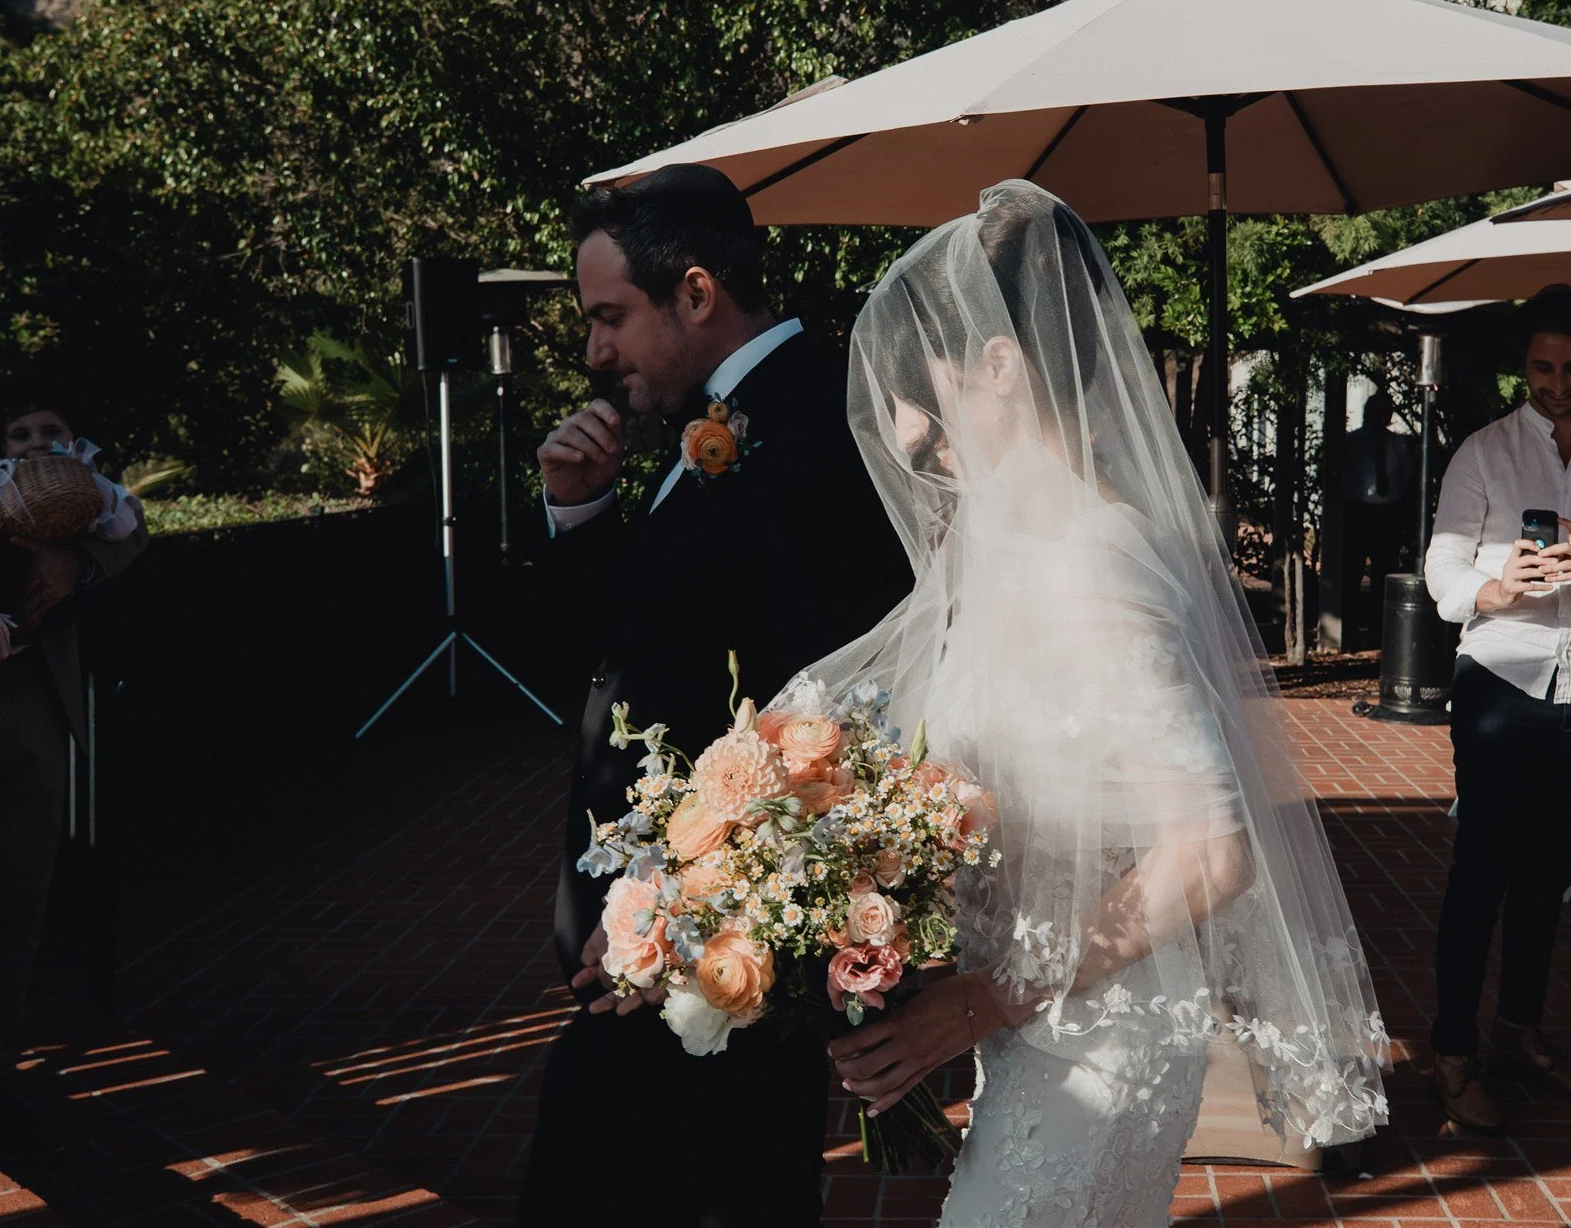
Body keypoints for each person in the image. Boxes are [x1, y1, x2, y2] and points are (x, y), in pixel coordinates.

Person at [812, 182, 1391, 1224]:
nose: (908, 431)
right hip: (1033, 1027)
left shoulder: (1091, 564)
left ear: (998, 364)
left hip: (1101, 1036)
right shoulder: (1009, 546)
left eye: (923, 388)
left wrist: (978, 1002)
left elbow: (1210, 853)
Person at [517, 165, 912, 1228]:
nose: (595, 350)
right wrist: (579, 515)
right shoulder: (714, 423)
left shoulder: (817, 426)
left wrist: (679, 914)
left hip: (709, 942)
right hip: (654, 931)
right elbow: (649, 645)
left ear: (695, 294)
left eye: (610, 317)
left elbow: (824, 713)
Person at [1421, 286, 1571, 1134]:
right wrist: (1497, 585)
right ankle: (1453, 1049)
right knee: (1480, 870)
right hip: (1500, 681)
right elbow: (1442, 571)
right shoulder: (1482, 452)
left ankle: (1520, 1030)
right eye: (1540, 367)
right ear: (1522, 366)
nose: (1557, 383)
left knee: (1547, 878)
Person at [0, 392, 148, 1156]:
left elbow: (130, 528)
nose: (32, 444)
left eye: (46, 431)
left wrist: (74, 560)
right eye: (16, 434)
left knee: (19, 904)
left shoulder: (80, 487)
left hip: (31, 699)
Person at [1342, 392, 1415, 643]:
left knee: (1383, 571)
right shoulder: (1352, 441)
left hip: (1387, 511)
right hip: (1358, 509)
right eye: (1375, 411)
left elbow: (1405, 476)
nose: (1379, 416)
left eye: (1384, 411)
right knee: (1351, 571)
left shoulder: (1398, 444)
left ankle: (1378, 629)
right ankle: (1349, 629)